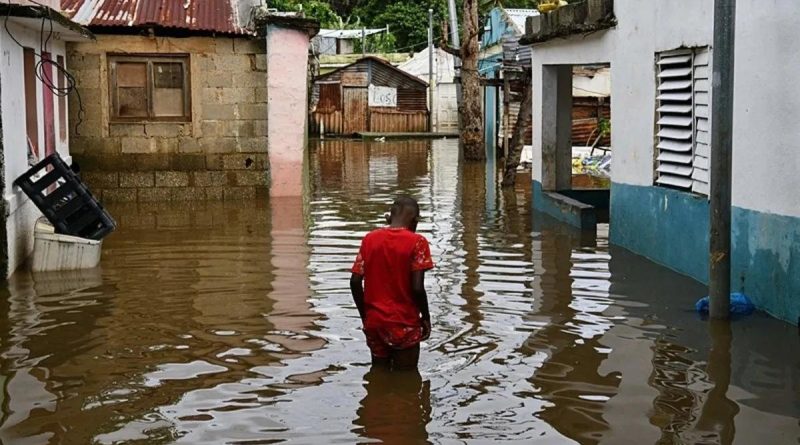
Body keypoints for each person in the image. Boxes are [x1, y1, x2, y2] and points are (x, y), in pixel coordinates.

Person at [350, 196, 434, 370]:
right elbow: (417, 288)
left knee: (378, 375)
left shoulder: (369, 239)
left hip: (374, 324)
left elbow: (355, 282)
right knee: (407, 381)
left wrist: (365, 316)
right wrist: (425, 318)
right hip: (404, 324)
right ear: (414, 219)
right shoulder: (418, 242)